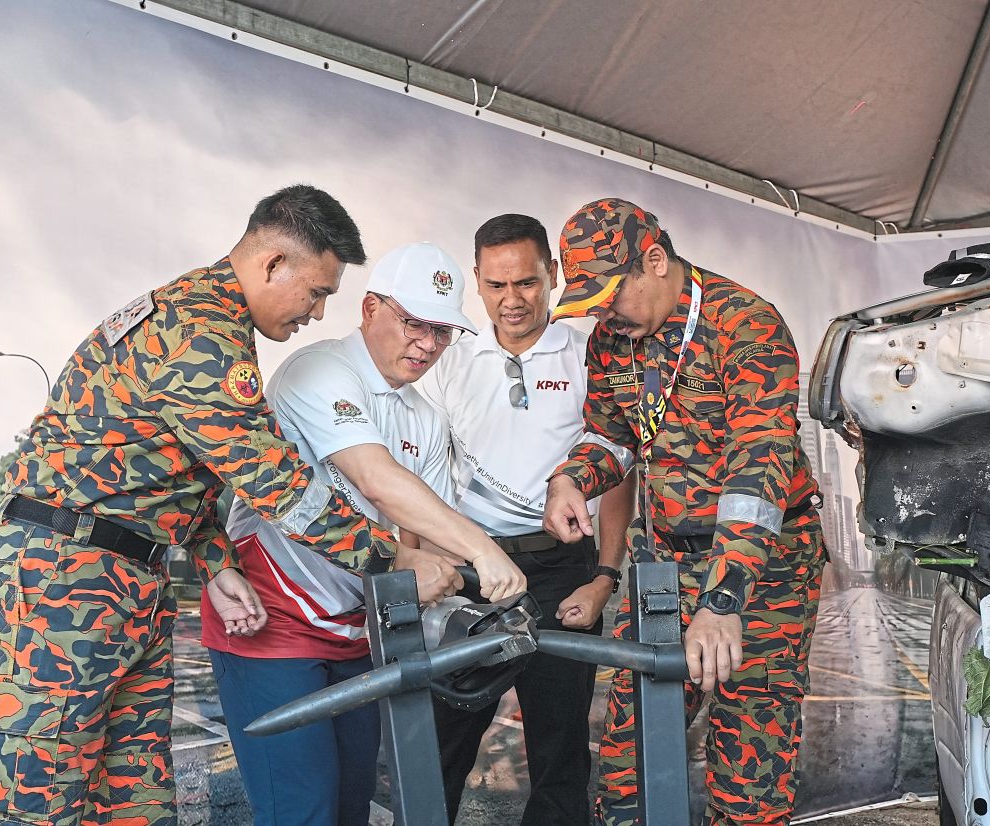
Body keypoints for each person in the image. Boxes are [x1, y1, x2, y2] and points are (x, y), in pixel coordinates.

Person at [0, 185, 417, 826]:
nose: (314, 314)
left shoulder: (208, 324)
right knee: (32, 803)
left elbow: (167, 475)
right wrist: (393, 561)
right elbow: (273, 481)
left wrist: (215, 560)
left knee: (135, 805)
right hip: (57, 582)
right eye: (316, 292)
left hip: (124, 583)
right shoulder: (198, 332)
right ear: (272, 264)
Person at [204, 241, 527, 826]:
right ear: (372, 308)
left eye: (443, 332)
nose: (427, 345)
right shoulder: (318, 369)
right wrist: (485, 551)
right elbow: (375, 481)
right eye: (414, 324)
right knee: (302, 812)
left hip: (357, 632)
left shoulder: (424, 418)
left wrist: (459, 589)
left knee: (353, 805)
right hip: (271, 620)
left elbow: (420, 535)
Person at [542, 198, 825, 826]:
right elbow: (611, 435)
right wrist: (570, 479)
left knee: (750, 756)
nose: (605, 315)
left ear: (655, 259)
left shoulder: (746, 325)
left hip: (763, 571)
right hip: (664, 564)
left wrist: (724, 601)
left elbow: (760, 464)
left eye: (612, 295)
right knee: (630, 756)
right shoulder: (615, 339)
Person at [422, 214, 635, 825]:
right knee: (443, 745)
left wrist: (603, 579)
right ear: (477, 283)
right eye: (495, 285)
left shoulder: (589, 352)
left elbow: (620, 468)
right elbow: (421, 473)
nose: (511, 300)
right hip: (472, 576)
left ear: (553, 275)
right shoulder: (448, 360)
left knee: (560, 752)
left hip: (563, 573)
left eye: (526, 283)